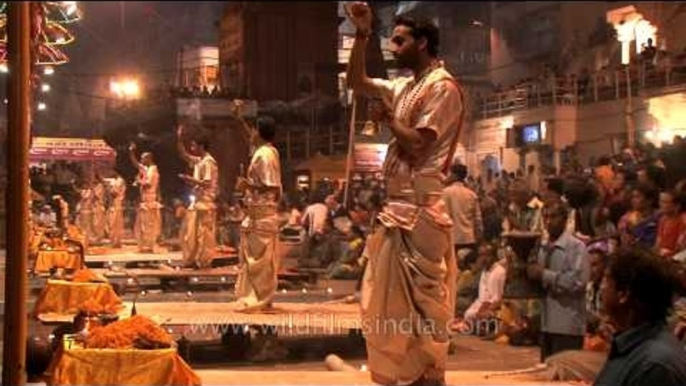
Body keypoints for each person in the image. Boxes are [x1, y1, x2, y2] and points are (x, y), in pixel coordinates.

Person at [346, 3, 466, 384]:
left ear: (424, 42)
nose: (393, 48)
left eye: (399, 41)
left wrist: (389, 120)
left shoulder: (442, 87)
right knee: (383, 308)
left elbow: (417, 146)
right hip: (395, 212)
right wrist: (362, 35)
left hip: (422, 212)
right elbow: (356, 81)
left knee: (424, 316)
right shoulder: (404, 86)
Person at [594, 249, 686, 386]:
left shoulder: (654, 367)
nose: (602, 288)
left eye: (606, 281)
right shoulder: (635, 347)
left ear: (623, 294)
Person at [233, 102, 283, 312]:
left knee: (260, 263)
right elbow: (249, 136)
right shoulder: (265, 150)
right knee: (253, 261)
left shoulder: (264, 155)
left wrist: (247, 184)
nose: (250, 133)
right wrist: (239, 118)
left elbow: (271, 186)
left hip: (262, 214)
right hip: (257, 215)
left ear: (259, 132)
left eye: (253, 129)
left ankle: (260, 299)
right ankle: (256, 297)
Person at [527, 203, 589, 362]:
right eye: (545, 217)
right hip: (547, 323)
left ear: (564, 218)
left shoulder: (576, 247)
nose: (548, 221)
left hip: (567, 325)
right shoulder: (542, 247)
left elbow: (578, 282)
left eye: (553, 217)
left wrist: (544, 274)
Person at [177, 125, 219, 269]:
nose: (191, 148)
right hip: (197, 203)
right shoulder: (199, 160)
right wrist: (179, 138)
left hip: (205, 203)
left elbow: (207, 183)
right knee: (190, 233)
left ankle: (203, 262)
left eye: (194, 145)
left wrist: (190, 179)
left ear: (201, 146)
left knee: (204, 235)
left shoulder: (208, 162)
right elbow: (184, 154)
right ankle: (191, 259)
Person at [442, 163, 483, 258]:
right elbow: (478, 219)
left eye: (450, 174)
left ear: (455, 175)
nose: (448, 176)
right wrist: (479, 236)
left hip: (453, 238)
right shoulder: (471, 194)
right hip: (469, 237)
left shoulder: (446, 192)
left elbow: (444, 216)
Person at [128, 143, 162, 253]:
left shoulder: (153, 170)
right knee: (141, 225)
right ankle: (144, 246)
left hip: (150, 200)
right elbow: (136, 164)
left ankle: (149, 246)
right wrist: (131, 152)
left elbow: (148, 184)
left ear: (148, 159)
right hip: (144, 200)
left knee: (149, 225)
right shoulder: (147, 169)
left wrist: (138, 181)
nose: (141, 160)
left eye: (143, 158)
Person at [106, 172, 127, 248]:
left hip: (116, 204)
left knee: (115, 223)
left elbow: (114, 193)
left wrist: (109, 188)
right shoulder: (115, 180)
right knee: (112, 223)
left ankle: (116, 242)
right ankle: (113, 241)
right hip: (113, 204)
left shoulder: (120, 181)